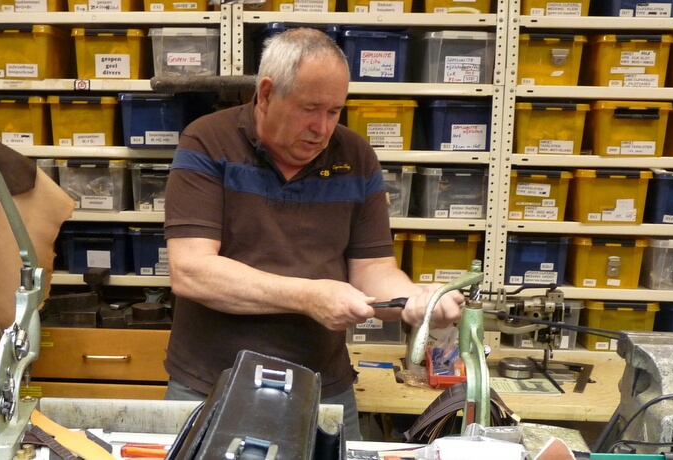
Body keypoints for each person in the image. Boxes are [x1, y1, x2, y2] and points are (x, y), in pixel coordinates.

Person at [162, 27, 466, 441]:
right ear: (266, 94)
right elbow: (191, 270)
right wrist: (308, 296)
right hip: (211, 383)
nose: (322, 128)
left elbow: (373, 268)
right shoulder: (207, 141)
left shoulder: (355, 156)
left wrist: (416, 301)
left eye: (334, 111)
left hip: (324, 387)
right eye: (311, 109)